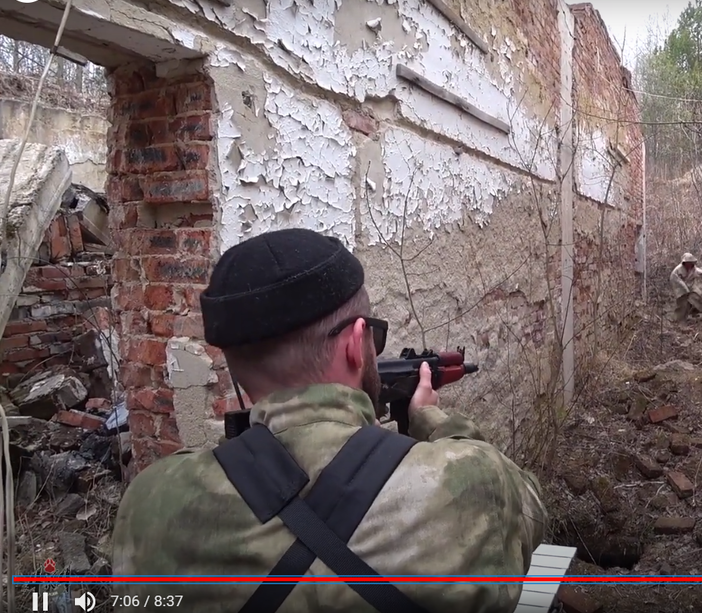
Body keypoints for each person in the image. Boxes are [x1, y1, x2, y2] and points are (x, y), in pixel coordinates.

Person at [110, 228, 547, 613]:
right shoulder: (476, 484)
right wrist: (430, 418)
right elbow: (529, 507)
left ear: (234, 363)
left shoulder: (148, 504)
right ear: (357, 343)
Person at [669, 252, 702, 321]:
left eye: (690, 262)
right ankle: (678, 320)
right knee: (683, 305)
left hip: (691, 287)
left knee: (701, 297)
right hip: (680, 290)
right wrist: (685, 290)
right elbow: (676, 282)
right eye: (687, 262)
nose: (689, 264)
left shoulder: (693, 269)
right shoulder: (677, 271)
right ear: (684, 262)